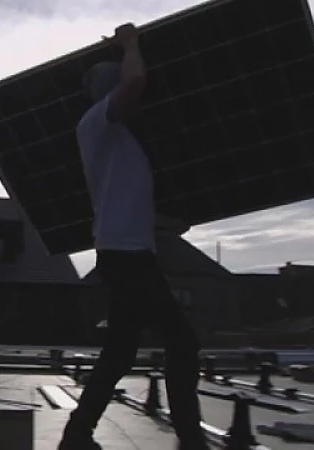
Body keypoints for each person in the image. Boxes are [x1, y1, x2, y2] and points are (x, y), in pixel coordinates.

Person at [58, 23, 210, 450]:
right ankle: (190, 437)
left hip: (127, 251)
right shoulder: (96, 124)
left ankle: (77, 434)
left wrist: (164, 225)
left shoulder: (121, 142)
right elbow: (136, 80)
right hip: (127, 257)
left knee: (120, 353)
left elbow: (122, 204)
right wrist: (130, 44)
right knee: (182, 342)